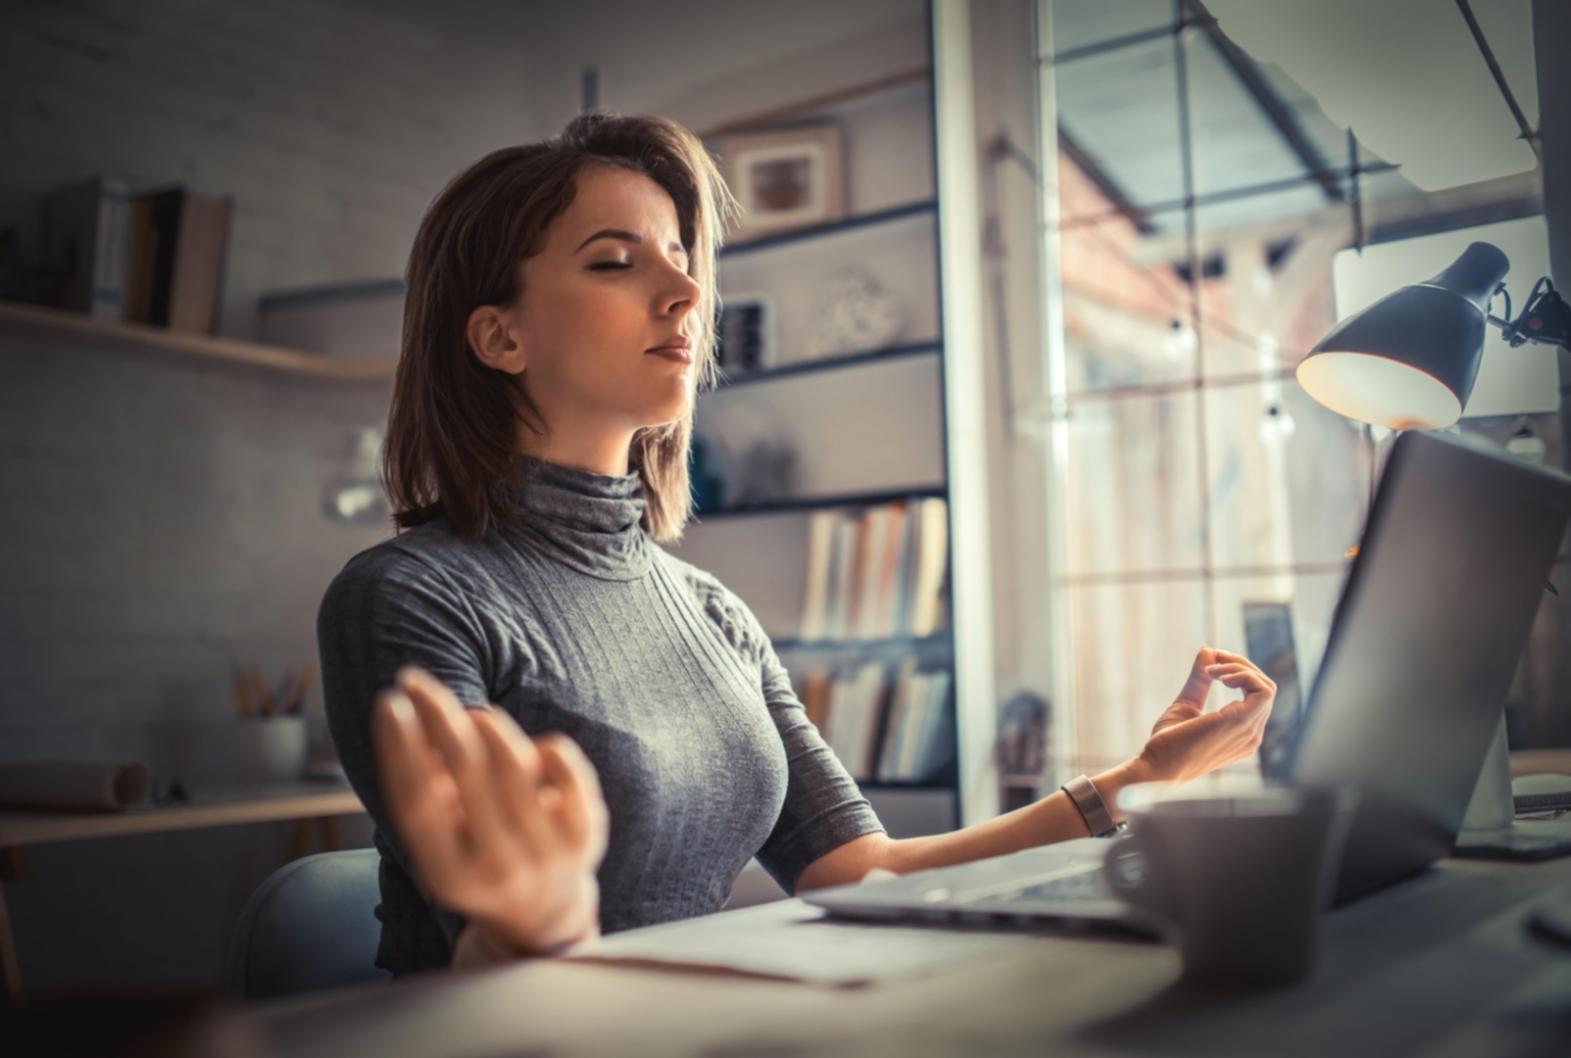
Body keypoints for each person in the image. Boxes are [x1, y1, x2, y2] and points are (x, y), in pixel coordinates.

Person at [317, 111, 1277, 977]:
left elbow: (865, 871)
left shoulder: (710, 613)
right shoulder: (411, 596)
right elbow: (490, 946)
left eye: (680, 255)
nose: (686, 288)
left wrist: (1136, 782)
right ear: (498, 337)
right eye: (617, 261)